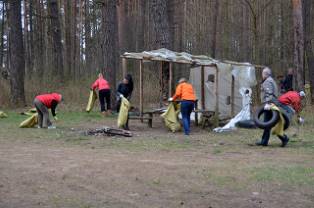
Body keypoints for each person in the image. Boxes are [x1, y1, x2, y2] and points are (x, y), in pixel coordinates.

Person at [256, 67, 289, 147]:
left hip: (270, 105)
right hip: (273, 104)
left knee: (268, 123)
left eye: (263, 73)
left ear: (265, 74)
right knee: (270, 123)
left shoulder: (267, 81)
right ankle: (281, 138)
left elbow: (269, 93)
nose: (262, 75)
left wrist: (268, 103)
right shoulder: (271, 80)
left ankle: (267, 141)